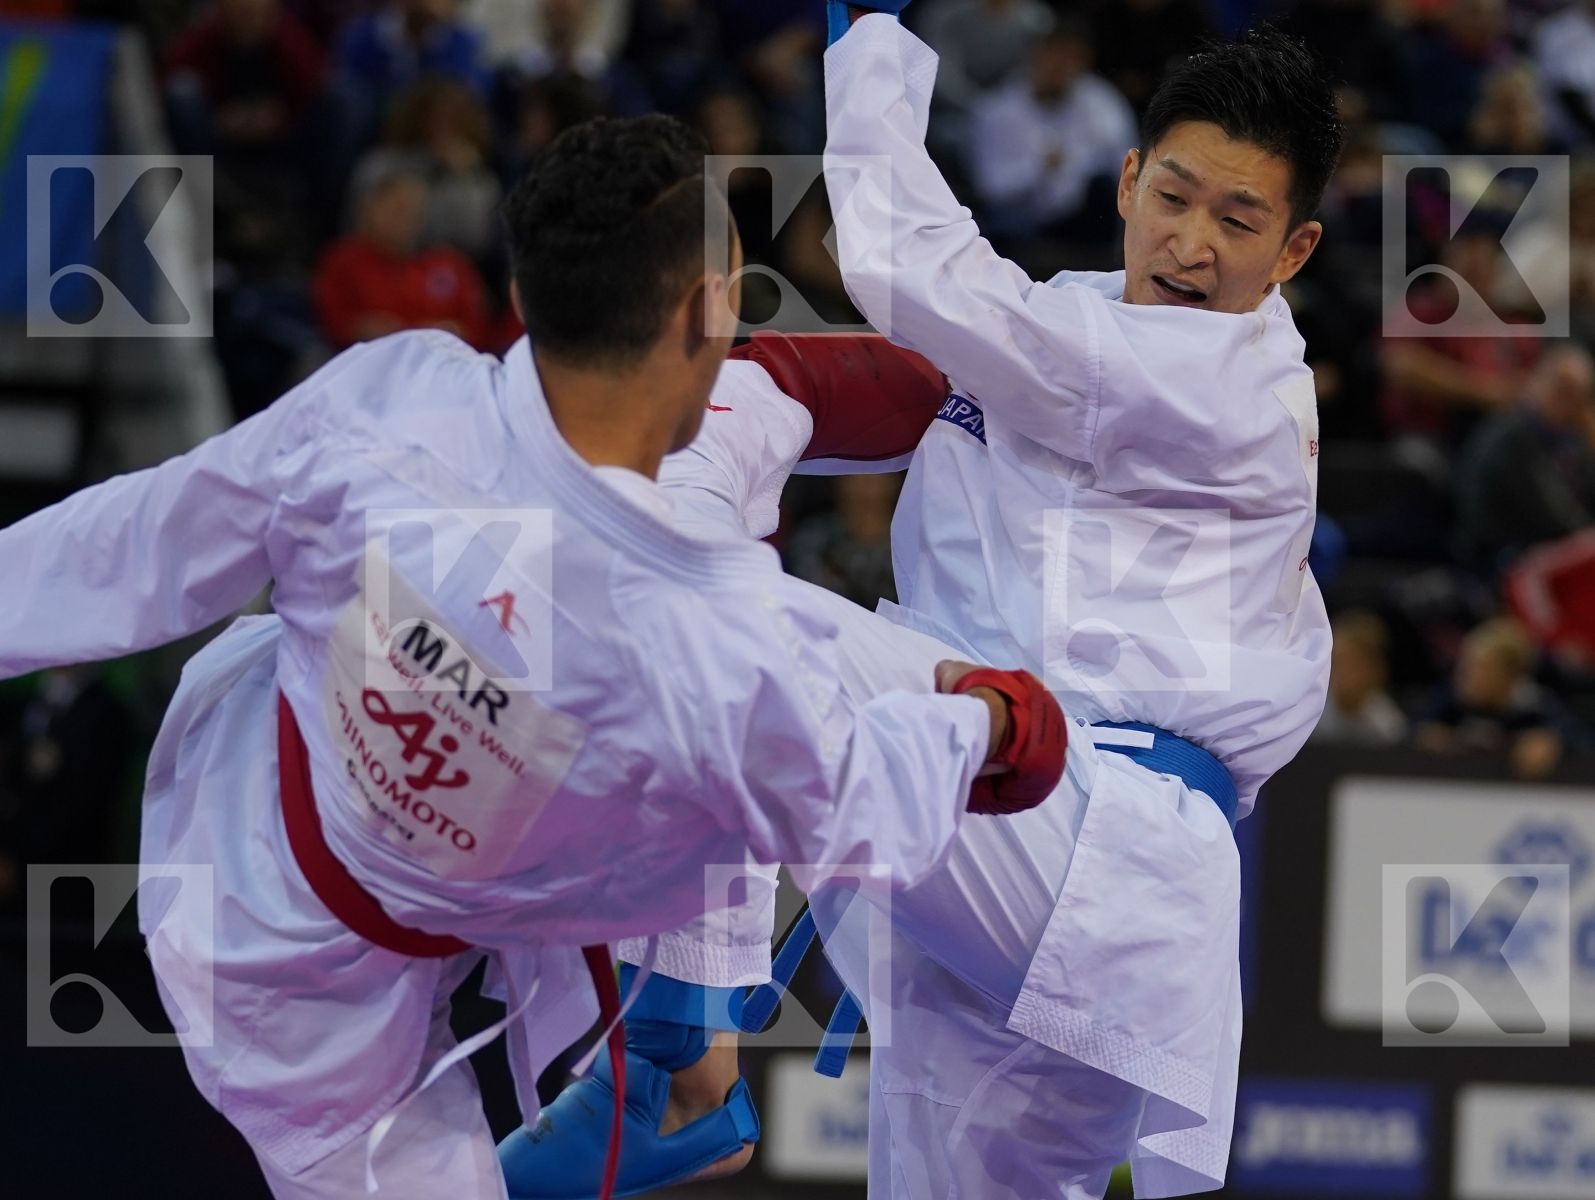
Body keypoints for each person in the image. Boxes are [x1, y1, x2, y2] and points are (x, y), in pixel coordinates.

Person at [0, 116, 1068, 1200]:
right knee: (742, 717)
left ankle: (675, 1066)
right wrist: (995, 725)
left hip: (290, 822)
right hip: (309, 971)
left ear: (520, 295)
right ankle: (677, 1073)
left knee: (724, 681)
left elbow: (146, 539)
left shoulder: (389, 400)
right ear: (713, 309)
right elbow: (858, 799)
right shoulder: (711, 637)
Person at [508, 11, 1339, 1199]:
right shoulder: (1074, 326)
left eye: (1237, 220)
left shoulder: (1225, 383)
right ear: (1125, 180)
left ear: (1295, 249)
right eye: (1173, 196)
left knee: (727, 623)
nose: (1190, 242)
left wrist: (870, 36)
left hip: (1091, 834)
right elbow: (899, 373)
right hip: (1032, 861)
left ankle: (677, 1065)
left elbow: (900, 263)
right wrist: (713, 436)